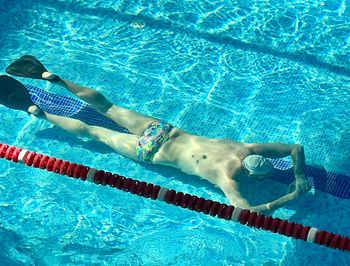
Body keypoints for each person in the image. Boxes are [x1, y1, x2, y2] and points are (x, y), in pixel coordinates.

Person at [1, 55, 311, 212]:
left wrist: (298, 171)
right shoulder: (226, 178)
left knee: (106, 106)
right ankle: (35, 111)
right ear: (255, 174)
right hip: (153, 152)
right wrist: (291, 194)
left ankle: (51, 77)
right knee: (93, 132)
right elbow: (248, 212)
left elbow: (294, 148)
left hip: (163, 130)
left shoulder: (246, 147)